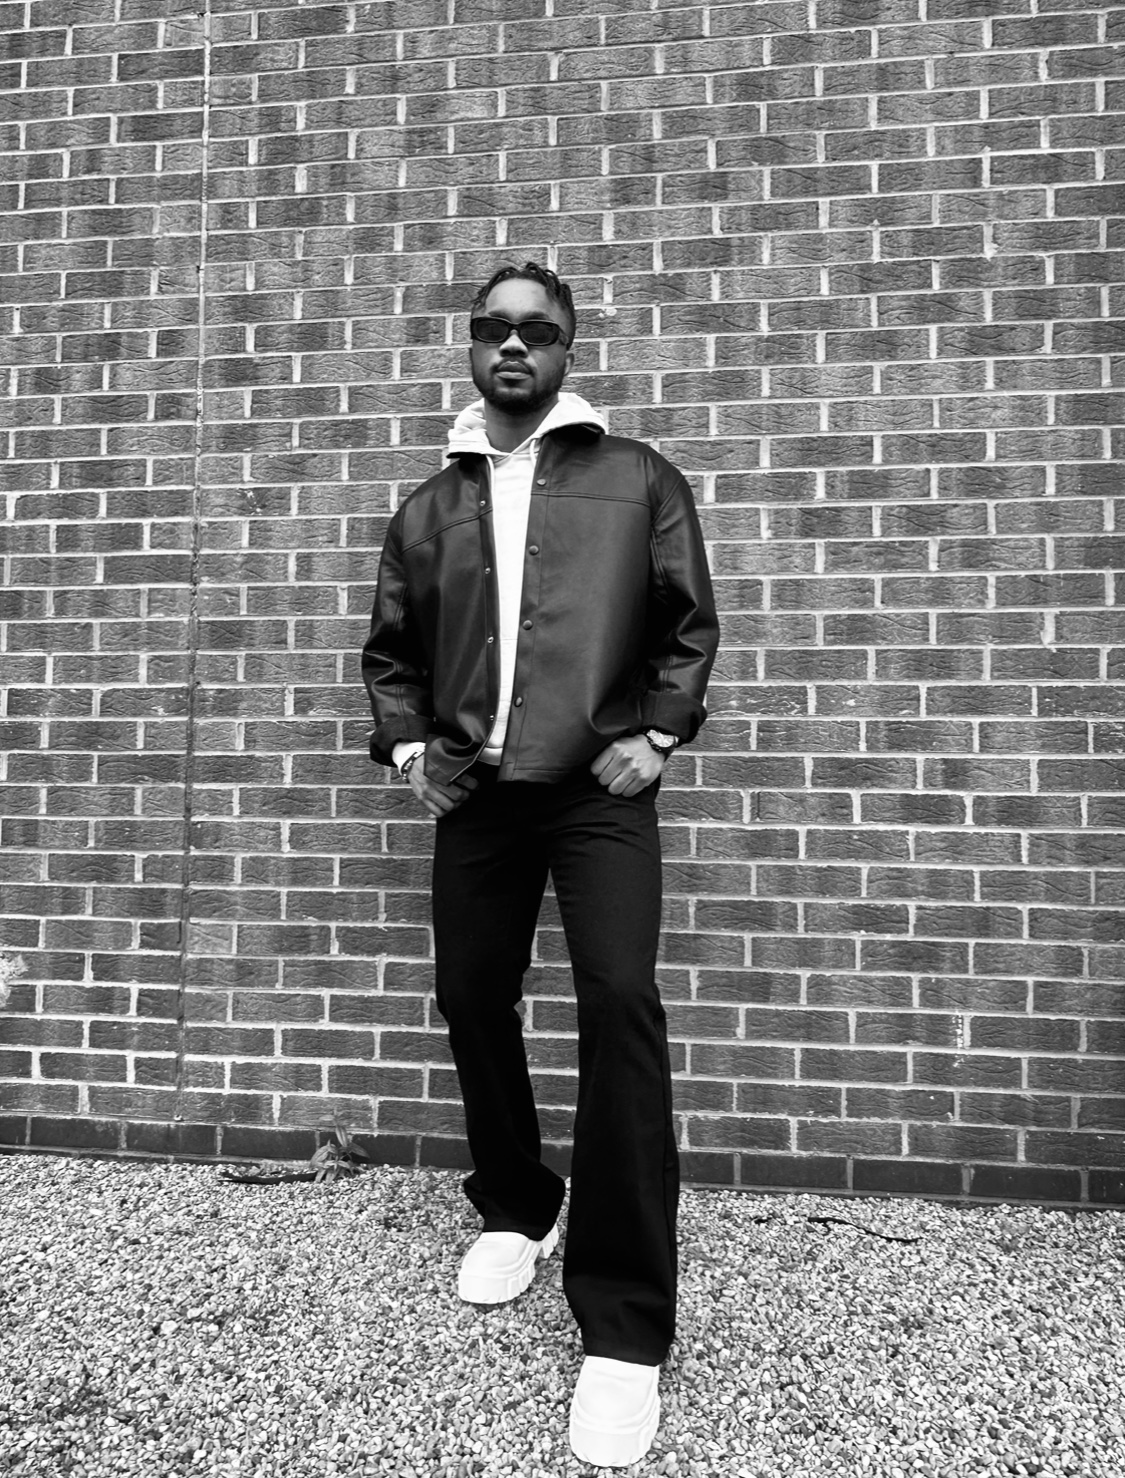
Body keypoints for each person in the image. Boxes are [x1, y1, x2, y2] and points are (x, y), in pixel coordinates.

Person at [361, 261, 719, 1468]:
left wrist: (658, 733)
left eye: (539, 329)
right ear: (473, 346)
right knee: (470, 994)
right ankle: (520, 1200)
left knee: (619, 1000)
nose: (515, 344)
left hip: (596, 793)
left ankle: (623, 1325)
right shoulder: (428, 507)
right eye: (495, 327)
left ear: (567, 349)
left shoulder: (638, 477)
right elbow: (392, 652)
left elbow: (686, 621)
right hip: (478, 793)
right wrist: (408, 747)